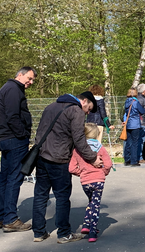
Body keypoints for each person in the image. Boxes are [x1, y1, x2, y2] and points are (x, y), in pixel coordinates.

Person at [32, 91, 102, 243]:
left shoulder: (51, 106)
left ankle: (38, 232)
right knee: (62, 197)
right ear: (84, 101)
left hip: (42, 156)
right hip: (59, 159)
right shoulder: (76, 111)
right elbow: (79, 139)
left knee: (40, 195)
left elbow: (40, 131)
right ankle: (64, 233)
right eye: (89, 108)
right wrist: (93, 158)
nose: (88, 112)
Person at [0, 66, 36, 232]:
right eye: (29, 78)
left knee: (4, 177)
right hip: (14, 139)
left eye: (32, 80)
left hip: (6, 138)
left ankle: (0, 217)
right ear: (20, 74)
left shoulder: (9, 88)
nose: (30, 82)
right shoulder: (13, 89)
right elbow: (13, 116)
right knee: (14, 178)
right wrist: (22, 134)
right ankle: (10, 219)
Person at [68, 123, 112, 242]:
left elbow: (71, 168)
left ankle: (86, 224)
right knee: (95, 205)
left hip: (85, 181)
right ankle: (92, 230)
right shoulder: (100, 148)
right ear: (97, 134)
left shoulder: (77, 150)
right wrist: (103, 172)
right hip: (98, 180)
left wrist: (81, 172)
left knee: (91, 202)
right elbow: (108, 164)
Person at [123, 88, 145, 167]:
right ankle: (133, 161)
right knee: (135, 143)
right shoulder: (135, 102)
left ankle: (127, 159)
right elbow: (142, 111)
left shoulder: (127, 102)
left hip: (128, 123)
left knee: (128, 142)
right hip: (135, 124)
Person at [136, 83, 145, 163]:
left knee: (136, 140)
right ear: (144, 91)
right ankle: (140, 157)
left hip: (135, 122)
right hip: (143, 122)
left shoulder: (134, 98)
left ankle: (137, 156)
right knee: (141, 140)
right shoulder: (144, 100)